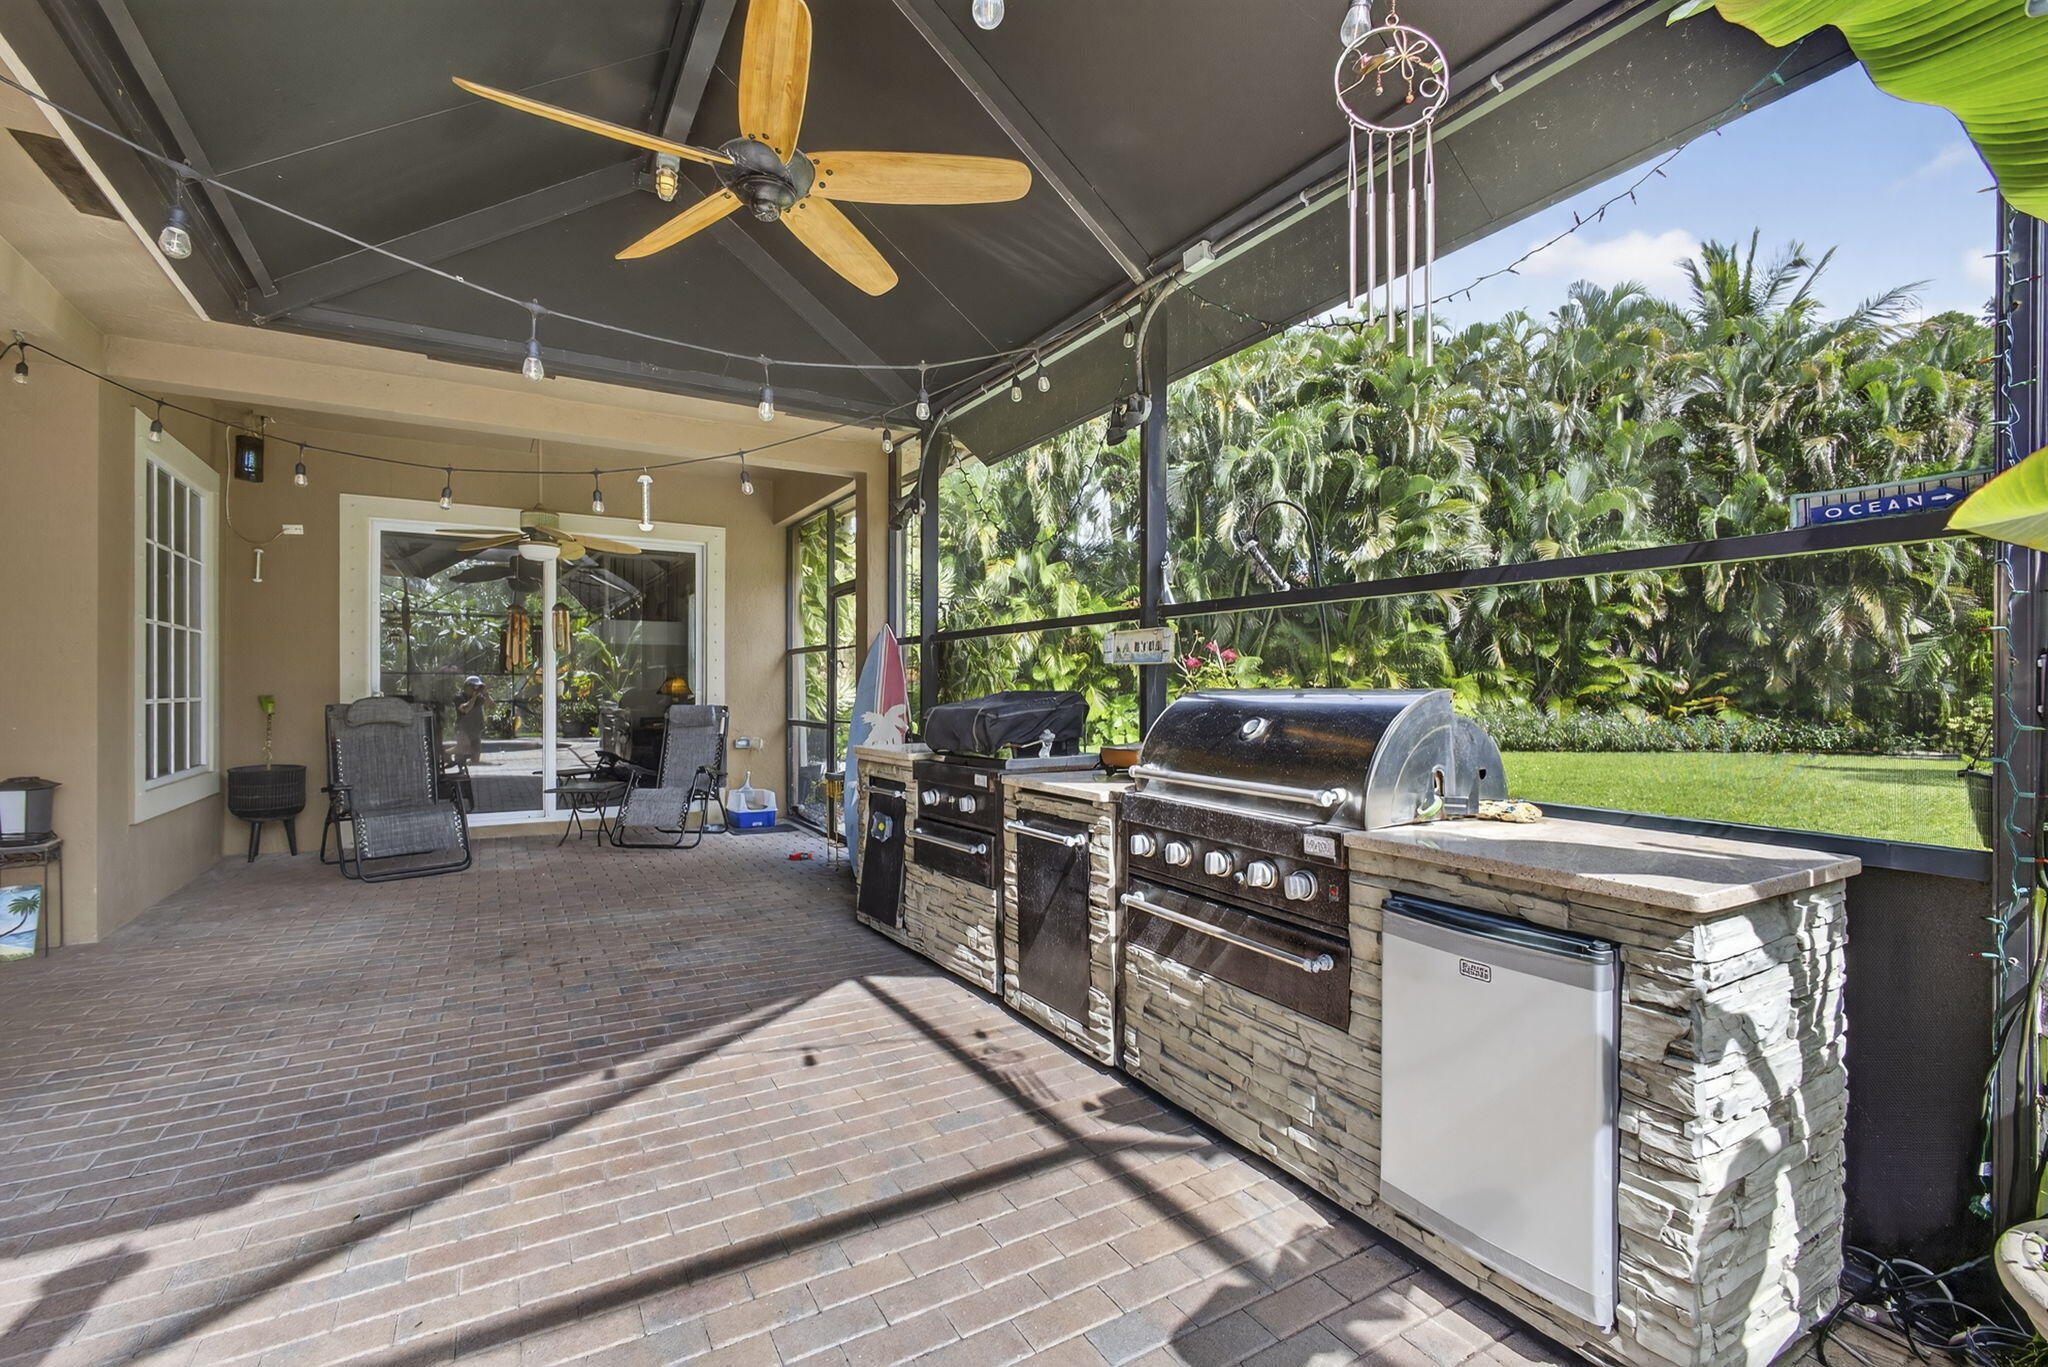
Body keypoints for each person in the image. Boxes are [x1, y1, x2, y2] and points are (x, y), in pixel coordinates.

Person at [453, 675, 488, 765]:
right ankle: (455, 759)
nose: (475, 689)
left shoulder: (479, 698)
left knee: (475, 759)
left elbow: (492, 706)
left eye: (477, 687)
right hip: (463, 730)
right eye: (474, 686)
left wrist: (486, 694)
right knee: (460, 759)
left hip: (475, 730)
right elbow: (465, 710)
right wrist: (474, 697)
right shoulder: (459, 697)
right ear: (467, 686)